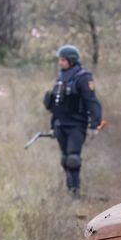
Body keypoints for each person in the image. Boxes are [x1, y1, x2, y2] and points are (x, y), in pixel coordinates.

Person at [43, 44, 104, 197]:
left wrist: (94, 124)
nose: (60, 62)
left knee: (73, 158)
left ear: (71, 60)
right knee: (65, 159)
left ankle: (75, 192)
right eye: (60, 60)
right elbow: (56, 105)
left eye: (63, 60)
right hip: (61, 124)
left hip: (77, 124)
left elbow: (92, 101)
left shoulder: (83, 77)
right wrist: (52, 125)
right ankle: (69, 188)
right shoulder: (60, 78)